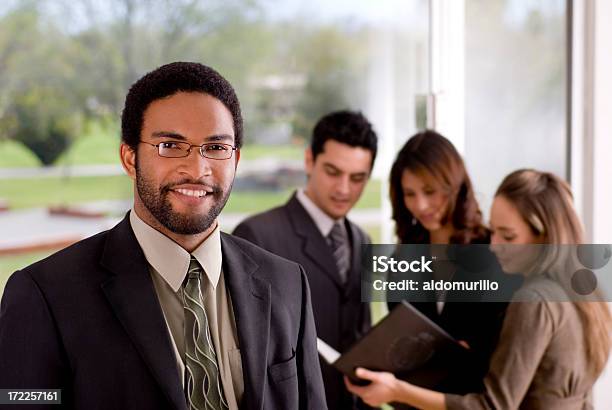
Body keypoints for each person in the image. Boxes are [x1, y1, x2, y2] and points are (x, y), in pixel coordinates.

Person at [0, 62, 326, 410]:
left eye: (215, 148)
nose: (197, 169)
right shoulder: (44, 295)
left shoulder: (287, 283)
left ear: (236, 159)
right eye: (171, 145)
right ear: (129, 158)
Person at [346, 169, 611, 409]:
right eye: (493, 231)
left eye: (508, 236)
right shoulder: (585, 291)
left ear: (544, 235)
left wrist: (398, 391)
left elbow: (492, 406)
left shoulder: (534, 300)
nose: (494, 246)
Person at [233, 110, 378, 409]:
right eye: (333, 172)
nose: (343, 189)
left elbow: (360, 338)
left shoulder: (364, 241)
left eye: (357, 178)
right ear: (309, 160)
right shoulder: (257, 236)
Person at [386, 130, 519, 394]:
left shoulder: (494, 253)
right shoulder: (402, 261)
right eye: (409, 194)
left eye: (429, 191)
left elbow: (510, 350)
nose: (421, 205)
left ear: (454, 186)